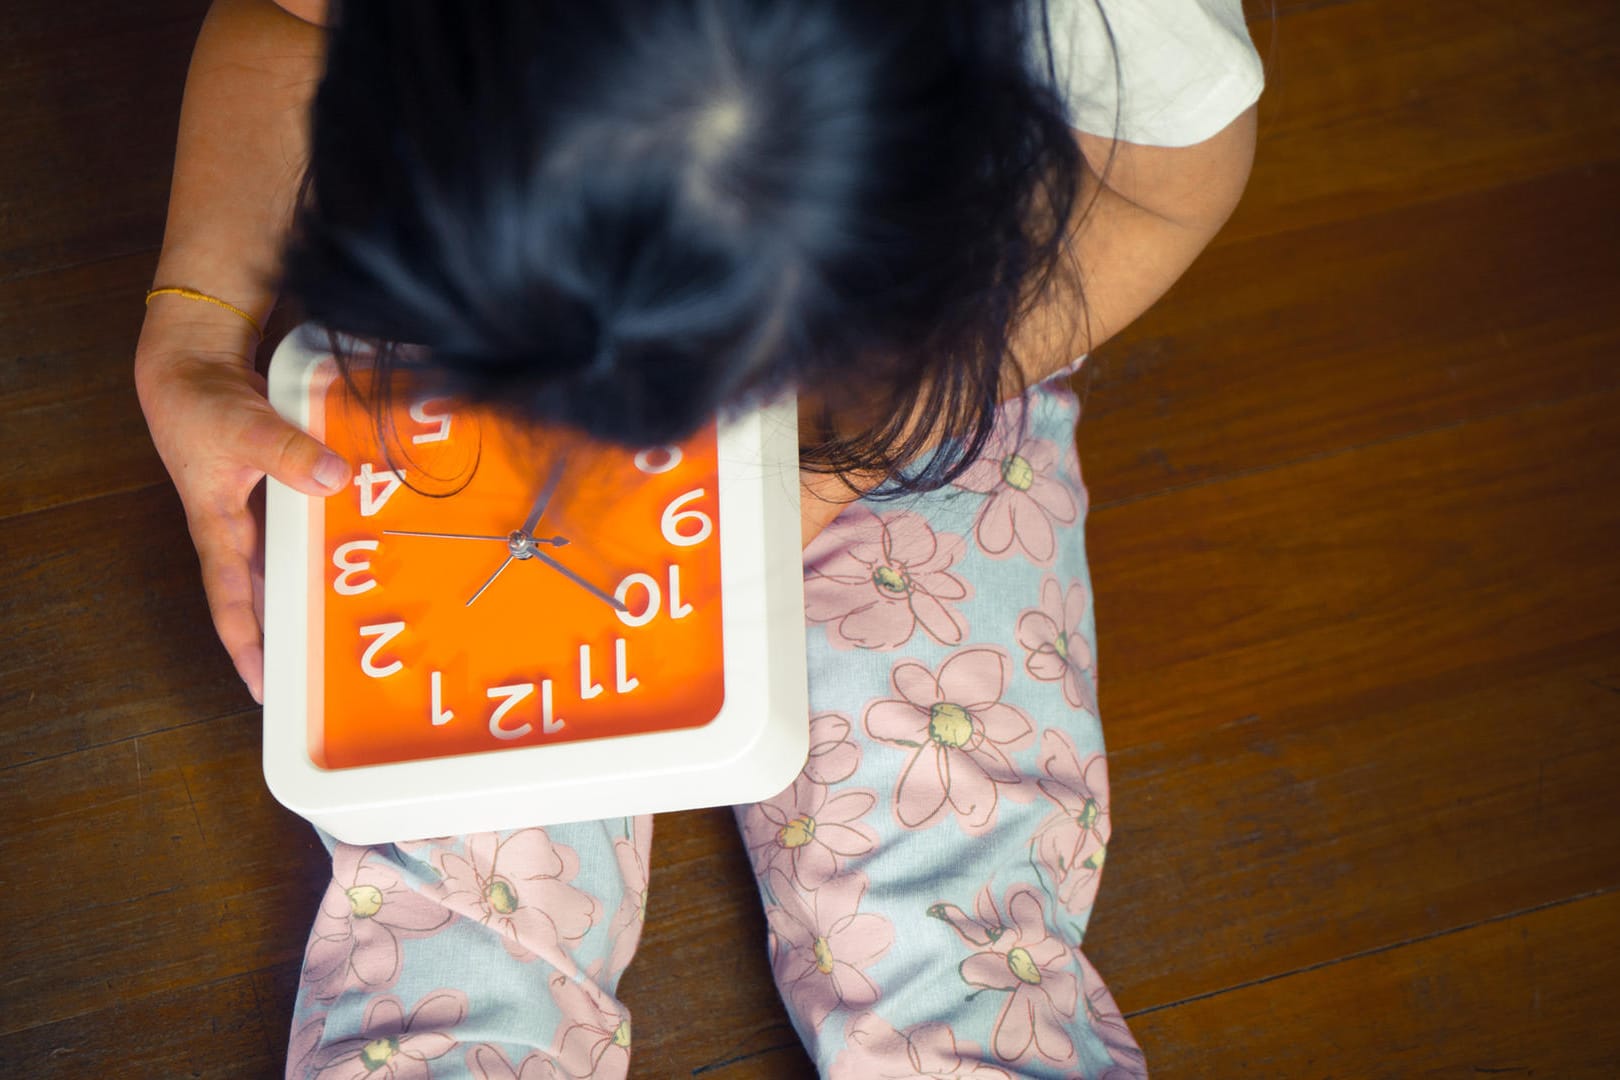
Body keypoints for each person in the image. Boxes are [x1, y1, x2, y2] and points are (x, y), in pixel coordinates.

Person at [133, 0, 1263, 1075]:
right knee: (459, 920)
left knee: (952, 928)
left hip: (915, 357)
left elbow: (1167, 186)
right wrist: (194, 323)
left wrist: (871, 436)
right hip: (475, 333)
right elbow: (282, 22)